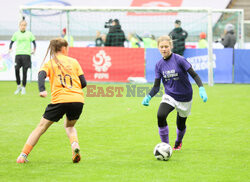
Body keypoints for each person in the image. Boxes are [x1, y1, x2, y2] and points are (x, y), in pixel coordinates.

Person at [16, 37, 87, 163]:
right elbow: (83, 83)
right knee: (70, 126)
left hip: (60, 99)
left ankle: (23, 156)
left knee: (41, 127)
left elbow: (41, 75)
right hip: (77, 100)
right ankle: (75, 146)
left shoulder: (50, 63)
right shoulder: (74, 62)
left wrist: (42, 90)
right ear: (64, 48)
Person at [142, 35, 207, 150]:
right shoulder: (159, 65)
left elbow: (195, 75)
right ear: (158, 48)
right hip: (170, 96)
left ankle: (178, 141)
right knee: (160, 115)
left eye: (166, 46)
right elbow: (156, 87)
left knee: (180, 125)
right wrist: (148, 96)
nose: (164, 49)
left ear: (171, 46)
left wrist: (201, 88)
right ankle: (166, 146)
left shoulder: (179, 59)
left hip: (185, 97)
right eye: (161, 47)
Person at [9, 17, 36, 95]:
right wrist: (10, 48)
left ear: (26, 26)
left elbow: (34, 42)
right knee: (16, 70)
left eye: (24, 25)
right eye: (21, 25)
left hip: (27, 55)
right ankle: (18, 86)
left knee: (25, 72)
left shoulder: (29, 34)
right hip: (18, 55)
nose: (23, 26)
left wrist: (34, 50)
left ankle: (23, 87)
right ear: (19, 26)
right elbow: (11, 42)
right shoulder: (16, 34)